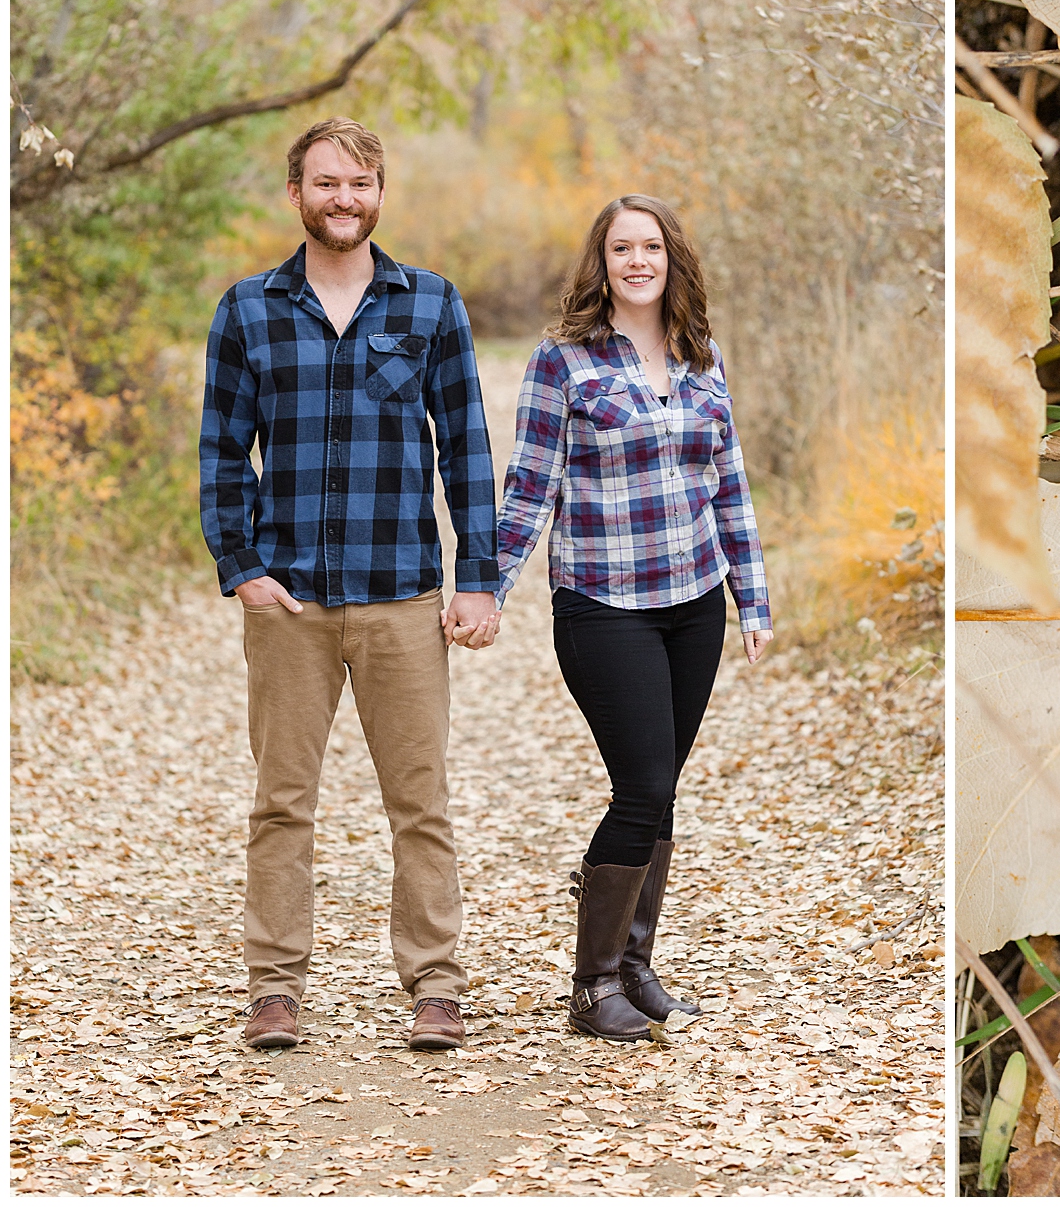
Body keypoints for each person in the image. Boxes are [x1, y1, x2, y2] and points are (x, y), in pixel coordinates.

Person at [200, 116, 503, 1054]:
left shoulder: (430, 303)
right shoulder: (247, 310)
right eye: (327, 182)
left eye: (360, 183)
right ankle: (274, 989)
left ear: (380, 193)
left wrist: (479, 577)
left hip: (402, 595)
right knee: (281, 802)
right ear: (296, 192)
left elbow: (467, 448)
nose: (345, 198)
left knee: (421, 803)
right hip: (289, 602)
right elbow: (222, 452)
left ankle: (436, 985)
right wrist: (242, 566)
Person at [494, 193, 772, 1042]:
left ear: (672, 258)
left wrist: (751, 595)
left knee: (662, 790)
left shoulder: (702, 357)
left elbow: (729, 483)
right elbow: (531, 484)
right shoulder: (563, 361)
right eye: (622, 248)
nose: (638, 261)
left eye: (651, 246)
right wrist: (486, 587)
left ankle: (635, 967)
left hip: (694, 601)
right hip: (603, 601)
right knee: (643, 784)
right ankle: (592, 984)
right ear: (603, 262)